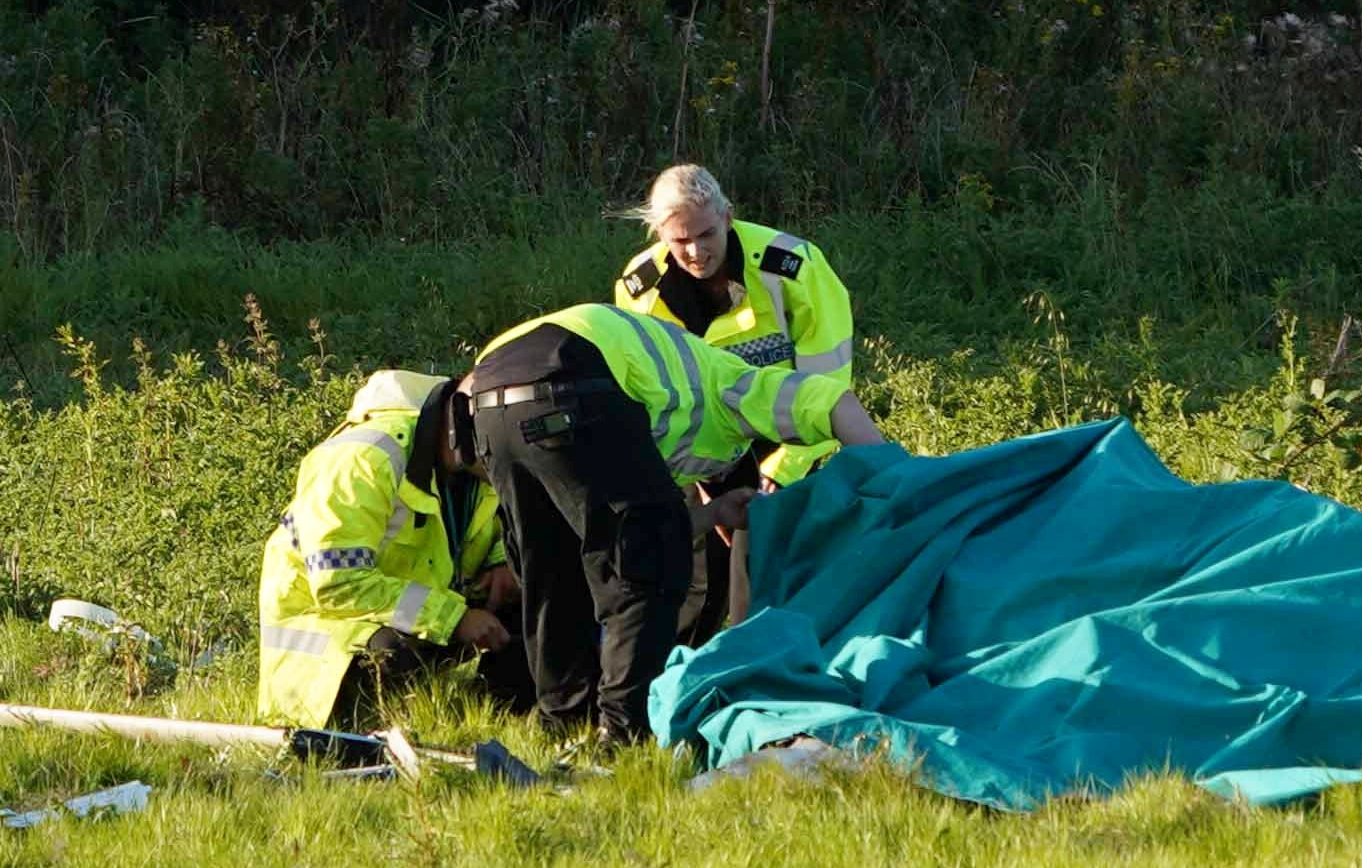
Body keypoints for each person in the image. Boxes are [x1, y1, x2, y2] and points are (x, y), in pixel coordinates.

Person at [453, 291, 888, 745]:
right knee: (646, 570)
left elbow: (624, 526)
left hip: (491, 394)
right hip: (576, 375)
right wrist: (895, 482)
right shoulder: (735, 384)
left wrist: (713, 512)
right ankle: (626, 734)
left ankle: (564, 724)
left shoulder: (654, 426)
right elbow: (835, 401)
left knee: (553, 570)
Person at [612, 161, 869, 638]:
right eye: (679, 241)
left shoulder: (793, 266)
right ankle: (694, 665)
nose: (695, 251)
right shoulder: (640, 286)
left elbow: (828, 385)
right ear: (658, 235)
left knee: (792, 559)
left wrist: (787, 466)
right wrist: (702, 474)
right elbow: (653, 395)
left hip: (792, 433)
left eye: (707, 234)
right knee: (698, 571)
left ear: (728, 216)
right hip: (705, 439)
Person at [253, 367, 516, 738]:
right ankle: (359, 726)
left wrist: (501, 564)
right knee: (390, 654)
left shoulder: (474, 467)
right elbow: (339, 585)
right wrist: (455, 618)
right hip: (331, 642)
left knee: (530, 598)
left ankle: (507, 713)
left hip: (410, 613)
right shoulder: (361, 459)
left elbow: (490, 527)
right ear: (464, 427)